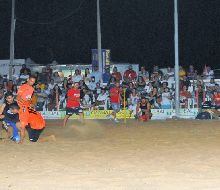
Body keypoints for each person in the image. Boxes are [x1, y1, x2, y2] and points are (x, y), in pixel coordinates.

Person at [16, 75, 36, 142]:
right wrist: (24, 103)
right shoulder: (23, 86)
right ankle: (21, 139)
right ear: (28, 79)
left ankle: (25, 137)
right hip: (22, 107)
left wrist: (30, 104)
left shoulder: (32, 89)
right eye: (31, 81)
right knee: (22, 124)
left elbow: (28, 98)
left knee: (27, 123)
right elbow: (18, 97)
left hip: (27, 107)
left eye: (33, 82)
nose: (32, 82)